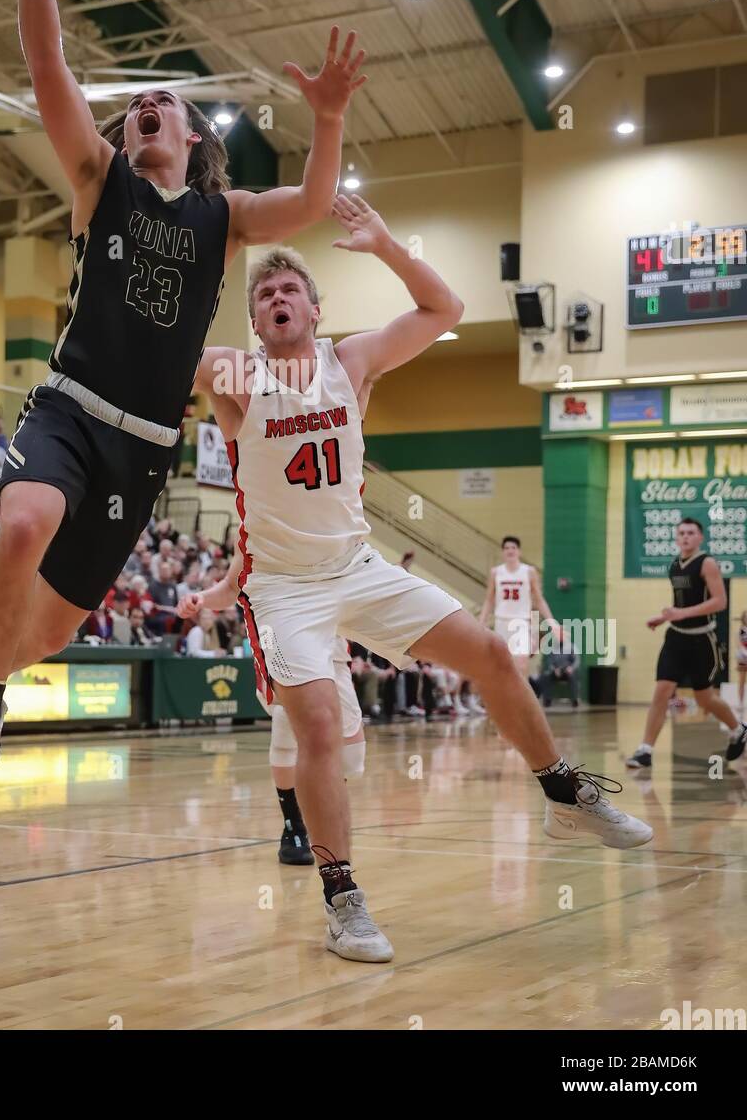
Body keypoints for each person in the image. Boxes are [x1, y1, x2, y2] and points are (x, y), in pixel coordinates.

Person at [0, 0, 368, 777]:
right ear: (128, 130)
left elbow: (314, 206)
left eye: (170, 100)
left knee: (46, 632)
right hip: (72, 410)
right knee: (26, 520)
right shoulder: (98, 180)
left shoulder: (225, 218)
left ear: (195, 136)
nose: (151, 103)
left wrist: (325, 121)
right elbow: (46, 56)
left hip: (147, 443)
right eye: (140, 101)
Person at [192, 195, 652, 963]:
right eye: (263, 294)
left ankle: (564, 794)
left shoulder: (351, 361)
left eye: (289, 290)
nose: (276, 299)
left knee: (494, 657)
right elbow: (159, 355)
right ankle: (342, 898)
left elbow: (446, 307)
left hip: (359, 567)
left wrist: (385, 246)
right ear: (254, 317)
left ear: (314, 307)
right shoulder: (235, 372)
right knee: (316, 729)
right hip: (282, 588)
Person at [180, 553, 367, 866]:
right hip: (284, 644)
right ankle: (294, 826)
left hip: (334, 651)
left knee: (352, 758)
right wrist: (201, 598)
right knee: (287, 731)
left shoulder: (336, 531)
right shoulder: (258, 533)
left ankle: (320, 814)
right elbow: (230, 586)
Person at [626, 520, 746, 769]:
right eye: (681, 533)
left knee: (705, 699)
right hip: (676, 638)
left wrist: (682, 613)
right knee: (662, 691)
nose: (685, 537)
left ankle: (738, 730)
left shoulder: (707, 563)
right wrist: (664, 618)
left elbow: (719, 602)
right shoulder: (674, 565)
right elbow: (680, 605)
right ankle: (645, 750)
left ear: (700, 537)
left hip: (703, 639)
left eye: (690, 533)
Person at [479, 536, 559, 683]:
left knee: (522, 663)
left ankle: (522, 702)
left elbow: (538, 601)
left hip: (522, 622)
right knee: (502, 665)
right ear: (503, 552)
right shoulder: (496, 572)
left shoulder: (529, 572)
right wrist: (481, 623)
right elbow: (489, 600)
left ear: (519, 551)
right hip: (501, 622)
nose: (510, 551)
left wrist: (551, 623)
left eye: (513, 548)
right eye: (507, 548)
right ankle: (505, 700)